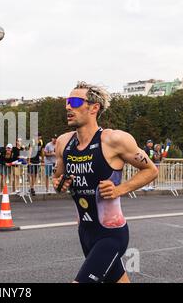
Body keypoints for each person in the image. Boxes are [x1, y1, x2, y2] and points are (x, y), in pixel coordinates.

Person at [53, 82, 158, 283]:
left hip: (111, 234)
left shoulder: (114, 140)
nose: (68, 107)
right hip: (85, 232)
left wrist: (120, 189)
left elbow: (151, 169)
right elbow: (57, 180)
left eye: (75, 102)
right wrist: (59, 184)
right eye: (67, 102)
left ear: (94, 108)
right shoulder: (63, 143)